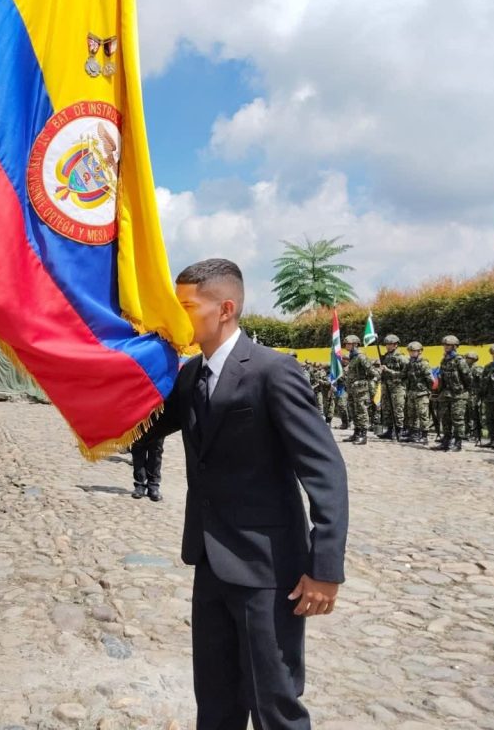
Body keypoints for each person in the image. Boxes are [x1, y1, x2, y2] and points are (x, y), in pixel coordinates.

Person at [148, 258, 348, 730]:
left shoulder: (273, 372)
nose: (179, 317)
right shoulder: (191, 374)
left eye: (187, 306)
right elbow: (145, 427)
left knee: (275, 703)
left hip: (268, 570)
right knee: (215, 703)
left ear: (225, 308)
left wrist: (325, 569)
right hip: (210, 563)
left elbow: (325, 472)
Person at [433, 335, 470, 452]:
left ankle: (458, 442)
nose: (445, 347)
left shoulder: (460, 361)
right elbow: (442, 378)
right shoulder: (444, 360)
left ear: (454, 346)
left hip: (458, 394)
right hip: (446, 394)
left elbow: (468, 378)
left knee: (457, 419)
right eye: (444, 345)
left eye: (448, 345)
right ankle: (446, 440)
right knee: (445, 418)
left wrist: (463, 390)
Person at [342, 335, 373, 445]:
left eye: (348, 344)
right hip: (351, 390)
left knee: (361, 411)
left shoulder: (361, 357)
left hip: (360, 390)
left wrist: (360, 382)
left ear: (355, 344)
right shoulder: (352, 356)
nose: (346, 345)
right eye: (346, 344)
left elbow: (372, 373)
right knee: (353, 411)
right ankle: (357, 432)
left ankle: (363, 435)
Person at [378, 334, 408, 441]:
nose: (388, 346)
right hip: (387, 387)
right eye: (387, 344)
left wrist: (388, 370)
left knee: (398, 409)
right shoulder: (386, 357)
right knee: (387, 409)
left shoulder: (402, 358)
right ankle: (389, 430)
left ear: (396, 345)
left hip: (398, 387)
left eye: (390, 344)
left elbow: (404, 374)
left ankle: (399, 430)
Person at [402, 342, 432, 445]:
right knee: (412, 415)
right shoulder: (409, 363)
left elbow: (430, 380)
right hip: (411, 392)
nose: (411, 353)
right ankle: (413, 434)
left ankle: (424, 436)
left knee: (423, 415)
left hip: (421, 393)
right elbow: (403, 375)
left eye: (413, 351)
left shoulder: (424, 363)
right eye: (410, 351)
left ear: (419, 351)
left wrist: (427, 391)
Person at [129, 425, 164, 502]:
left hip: (159, 417)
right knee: (138, 447)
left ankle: (153, 485)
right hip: (138, 417)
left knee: (156, 450)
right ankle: (140, 484)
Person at [464, 351, 484, 444]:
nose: (468, 360)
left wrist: (480, 394)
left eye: (470, 358)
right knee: (465, 414)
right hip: (465, 394)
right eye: (467, 358)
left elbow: (482, 382)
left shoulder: (477, 369)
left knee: (474, 414)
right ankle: (467, 433)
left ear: (474, 359)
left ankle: (476, 434)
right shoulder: (464, 369)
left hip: (474, 395)